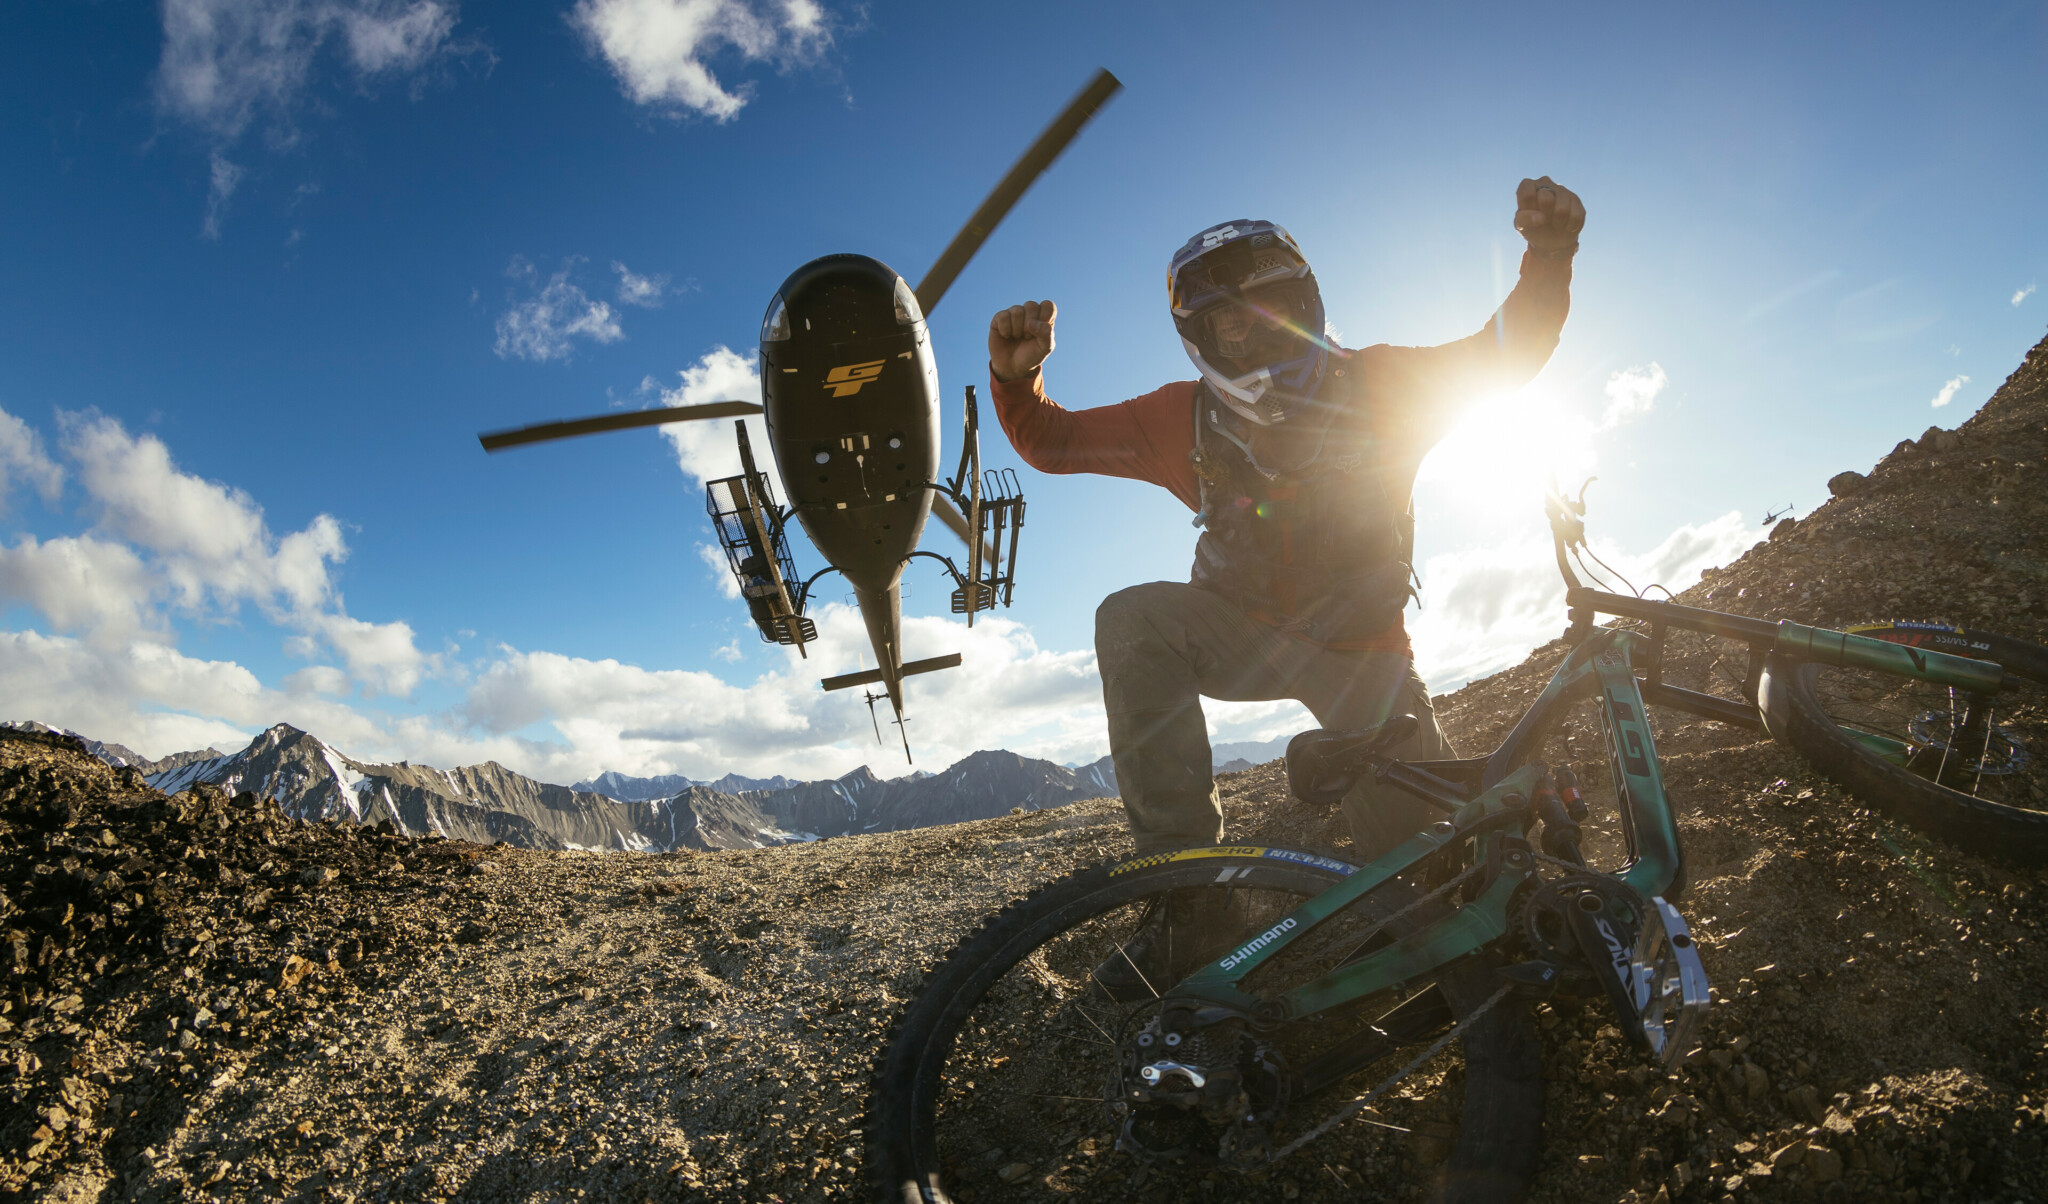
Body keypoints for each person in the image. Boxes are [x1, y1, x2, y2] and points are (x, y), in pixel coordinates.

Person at [985, 177, 1584, 999]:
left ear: (1306, 302)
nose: (1253, 332)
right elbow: (1055, 443)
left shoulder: (1383, 385)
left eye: (1268, 307)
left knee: (1427, 891)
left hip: (1364, 657)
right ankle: (1191, 903)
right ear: (1200, 338)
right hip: (1236, 631)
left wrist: (1549, 254)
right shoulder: (1180, 417)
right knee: (1133, 619)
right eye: (1229, 322)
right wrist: (1015, 380)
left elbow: (1504, 353)